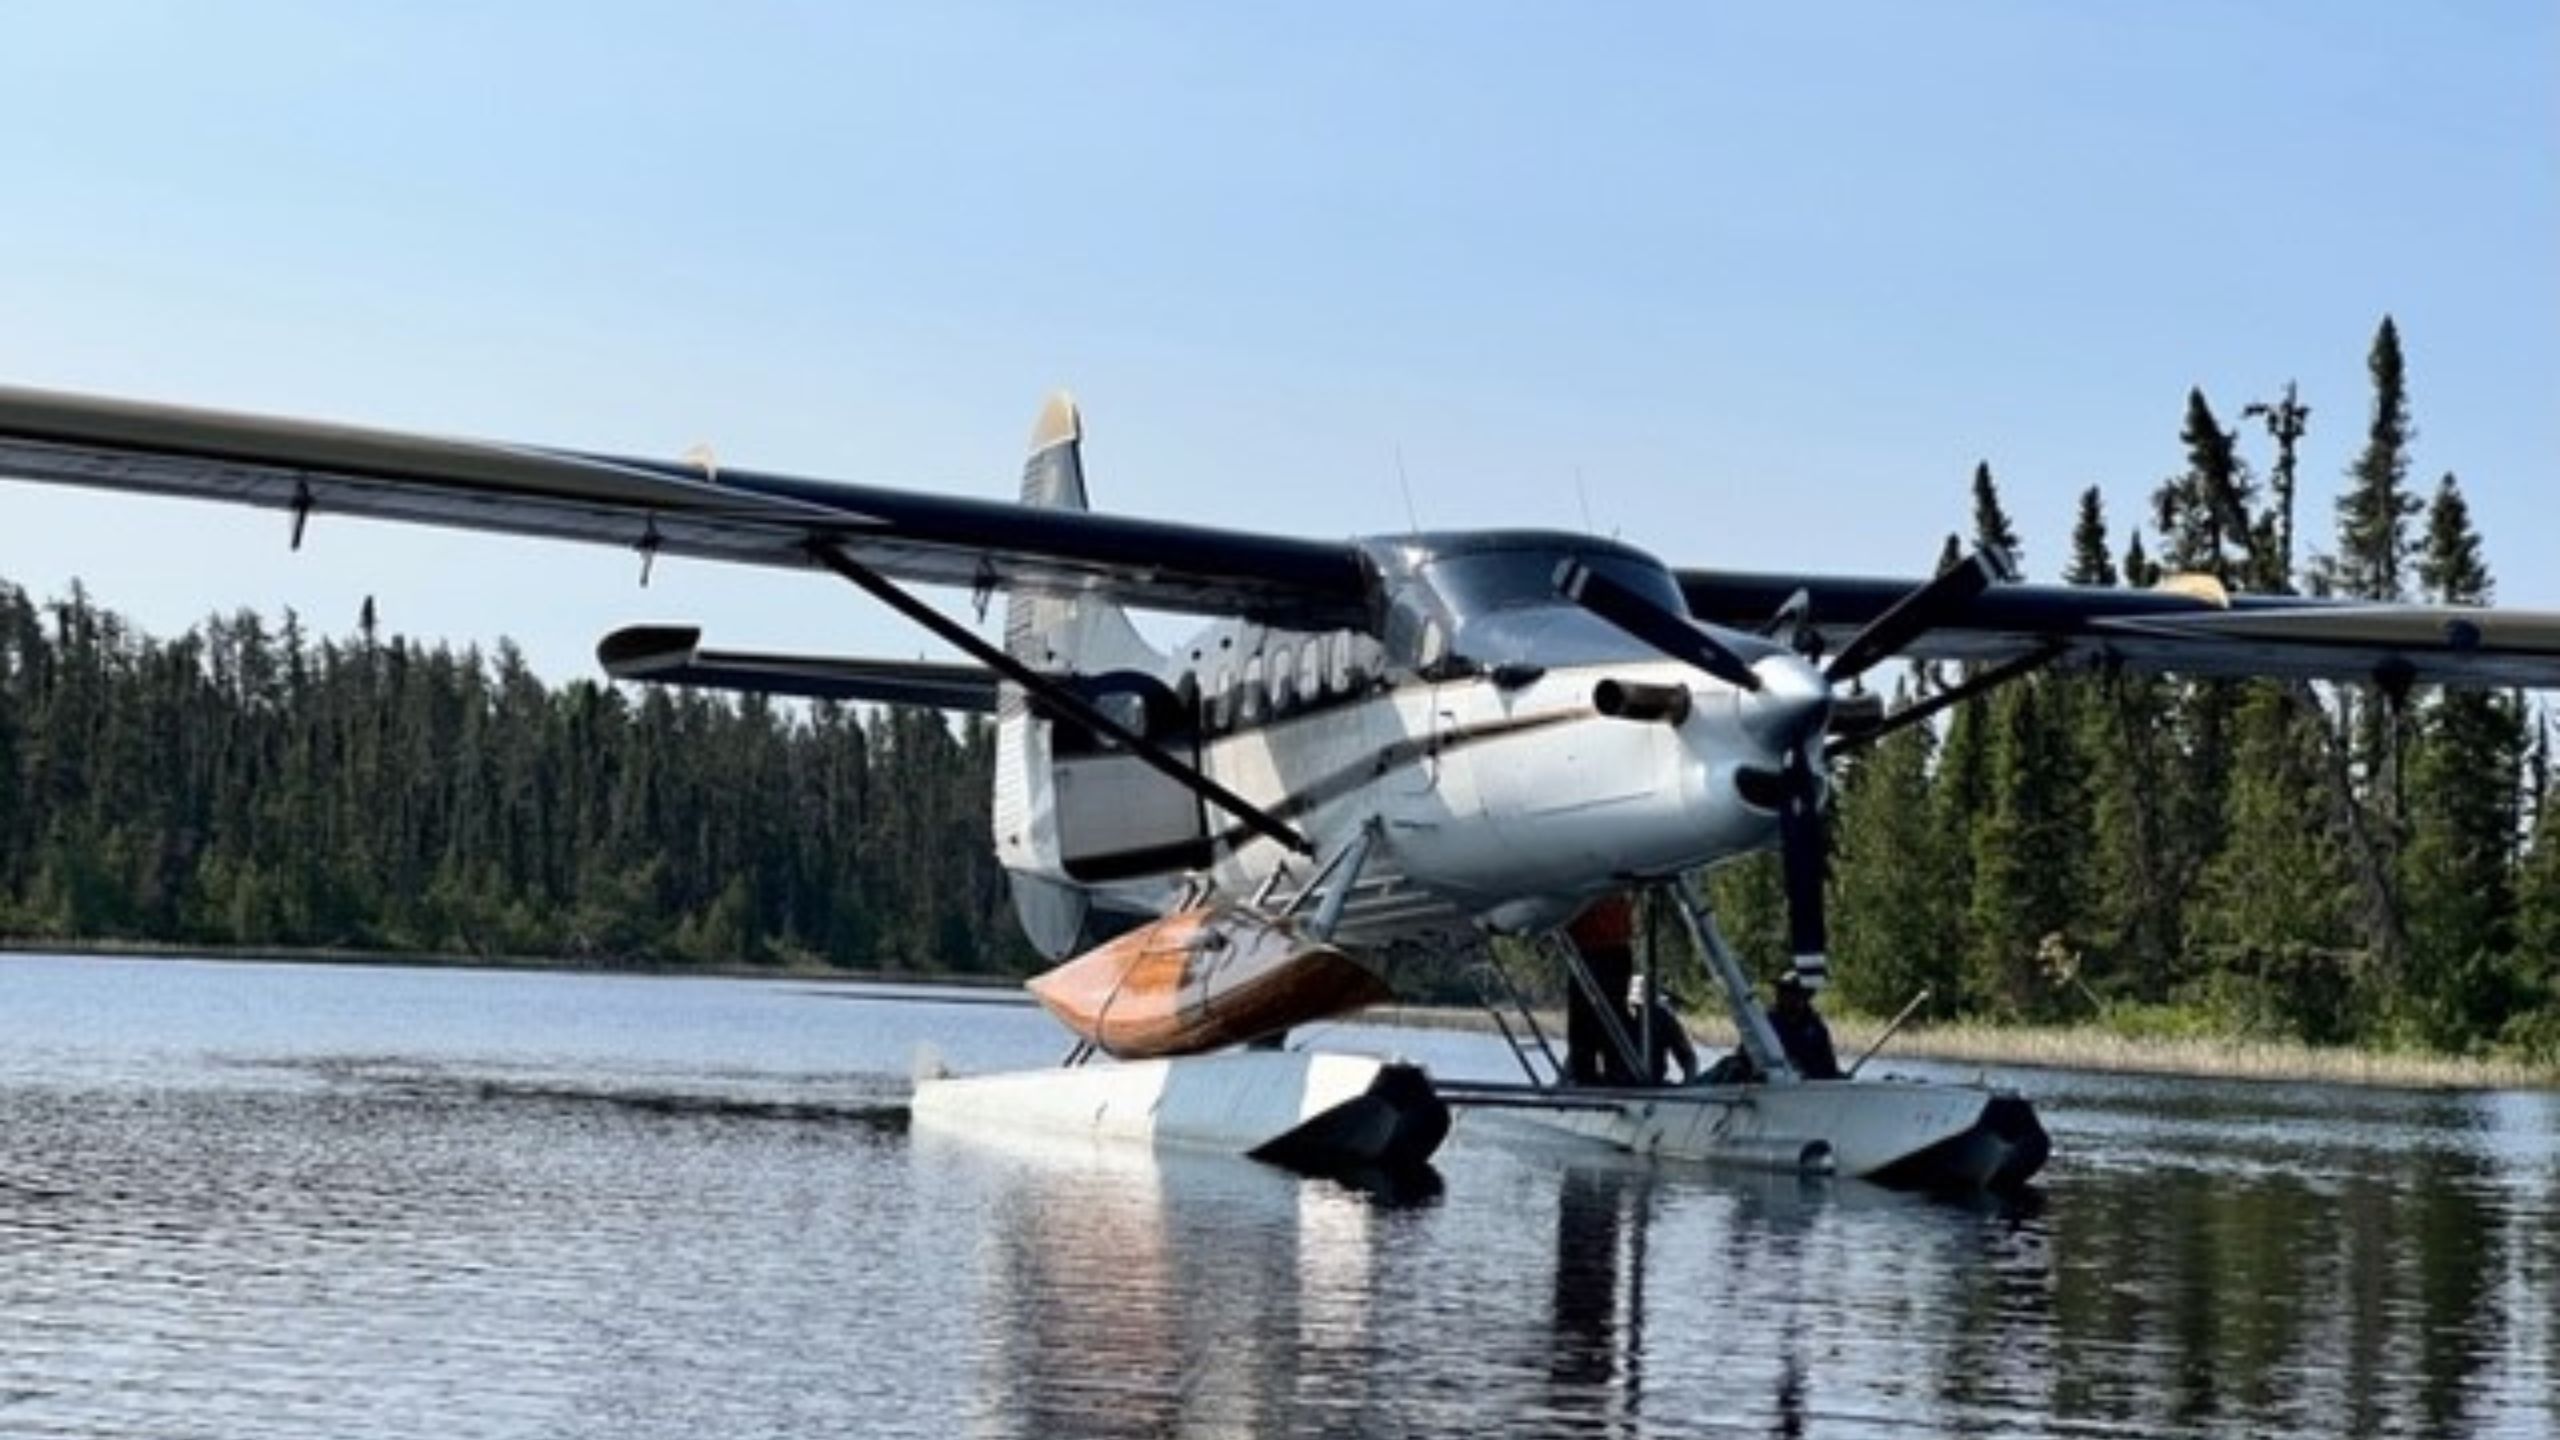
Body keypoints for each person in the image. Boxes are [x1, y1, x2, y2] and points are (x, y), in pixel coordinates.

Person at [1561, 893, 1638, 1085]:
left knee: (1596, 1016)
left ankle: (1606, 1073)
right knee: (1590, 1018)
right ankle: (1590, 1073)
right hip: (1600, 948)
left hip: (1598, 949)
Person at [1629, 973, 1702, 1085]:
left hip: (1654, 1085)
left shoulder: (1662, 1019)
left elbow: (1688, 1058)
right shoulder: (1613, 1015)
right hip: (1618, 1087)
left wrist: (1687, 1084)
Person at [1768, 974, 1841, 1080]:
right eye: (1781, 991)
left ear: (1803, 996)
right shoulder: (1767, 1023)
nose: (1783, 996)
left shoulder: (1816, 1027)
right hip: (1773, 1083)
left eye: (1790, 992)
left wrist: (1836, 1077)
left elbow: (1828, 1066)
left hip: (1808, 1087)